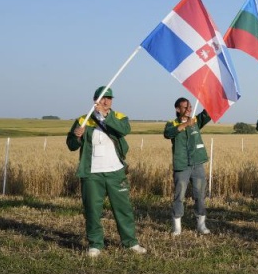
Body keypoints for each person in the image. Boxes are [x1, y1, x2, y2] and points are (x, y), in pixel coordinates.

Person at [66, 86, 146, 257]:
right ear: (95, 99)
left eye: (109, 98)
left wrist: (104, 116)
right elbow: (71, 145)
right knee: (92, 210)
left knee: (123, 208)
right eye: (102, 98)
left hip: (115, 171)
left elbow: (124, 130)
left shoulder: (119, 117)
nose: (106, 101)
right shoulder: (83, 119)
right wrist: (77, 136)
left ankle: (130, 242)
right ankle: (95, 244)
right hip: (91, 173)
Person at [163, 97, 212, 236]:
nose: (189, 109)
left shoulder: (196, 121)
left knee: (200, 195)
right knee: (179, 196)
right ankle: (177, 227)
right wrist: (184, 125)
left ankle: (201, 224)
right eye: (185, 107)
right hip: (182, 165)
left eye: (190, 106)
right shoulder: (171, 124)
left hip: (197, 163)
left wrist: (207, 95)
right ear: (178, 109)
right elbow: (168, 134)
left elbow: (208, 113)